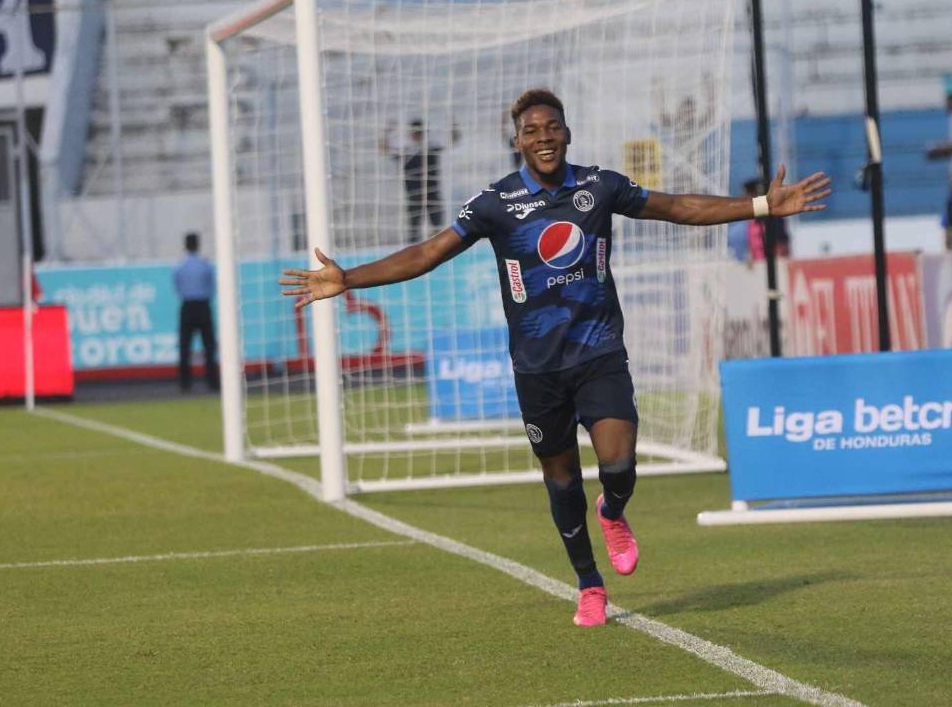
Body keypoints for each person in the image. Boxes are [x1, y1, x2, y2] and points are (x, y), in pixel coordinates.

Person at [280, 89, 830, 626]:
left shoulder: (599, 186)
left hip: (599, 351)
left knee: (619, 463)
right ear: (517, 141)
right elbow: (428, 252)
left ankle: (612, 511)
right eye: (531, 131)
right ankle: (590, 584)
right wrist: (348, 278)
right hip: (538, 369)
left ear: (567, 134)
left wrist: (761, 206)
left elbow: (676, 207)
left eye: (552, 128)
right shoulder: (495, 203)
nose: (543, 137)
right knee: (562, 480)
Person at [382, 119, 461, 244]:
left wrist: (454, 127)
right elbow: (385, 149)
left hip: (432, 193)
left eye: (420, 133)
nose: (418, 135)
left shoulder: (430, 147)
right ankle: (412, 250)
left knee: (437, 227)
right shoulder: (406, 150)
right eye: (416, 133)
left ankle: (438, 248)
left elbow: (453, 141)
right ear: (411, 133)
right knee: (414, 229)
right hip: (414, 194)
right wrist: (386, 132)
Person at [174, 233, 220, 392]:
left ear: (185, 246)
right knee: (209, 346)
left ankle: (185, 384)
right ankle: (212, 382)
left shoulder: (180, 266)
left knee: (184, 346)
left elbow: (177, 287)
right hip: (203, 306)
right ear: (198, 245)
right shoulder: (205, 265)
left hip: (187, 306)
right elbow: (212, 286)